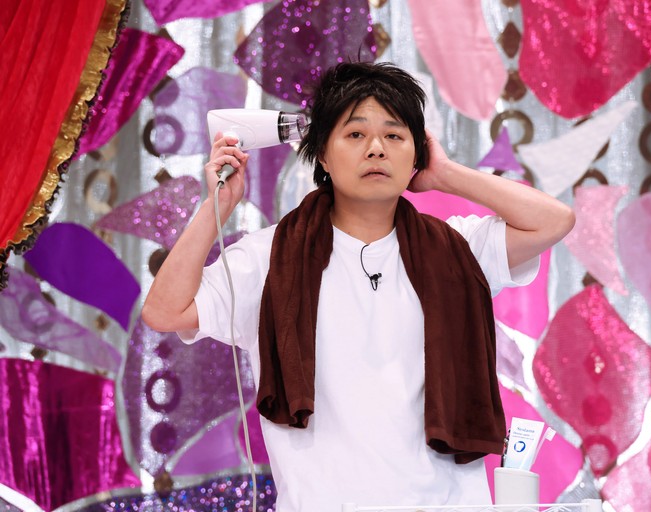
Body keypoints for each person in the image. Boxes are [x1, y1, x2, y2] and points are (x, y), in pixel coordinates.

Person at [142, 61, 574, 512]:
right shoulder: (269, 257)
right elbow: (166, 311)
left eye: (394, 135)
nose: (376, 149)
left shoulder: (459, 249)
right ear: (322, 155)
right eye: (355, 134)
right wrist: (217, 206)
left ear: (417, 154)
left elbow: (554, 220)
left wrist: (445, 174)